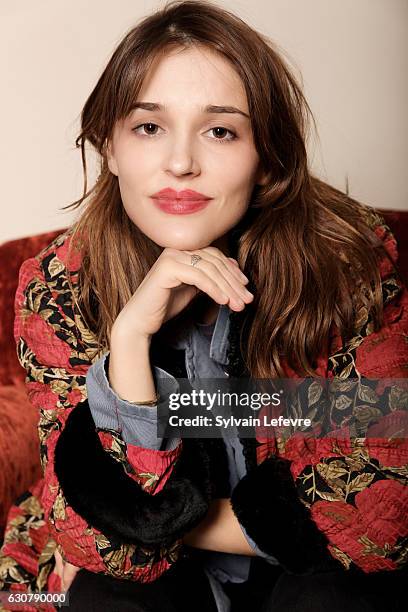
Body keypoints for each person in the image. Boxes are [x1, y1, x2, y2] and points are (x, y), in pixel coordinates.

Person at [0, 1, 407, 610]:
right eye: (148, 127)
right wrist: (131, 339)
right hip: (154, 585)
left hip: (304, 577)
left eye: (220, 130)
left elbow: (378, 517)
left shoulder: (347, 265)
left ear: (265, 156)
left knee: (333, 596)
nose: (181, 163)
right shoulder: (62, 285)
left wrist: (157, 526)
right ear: (109, 147)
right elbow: (102, 551)